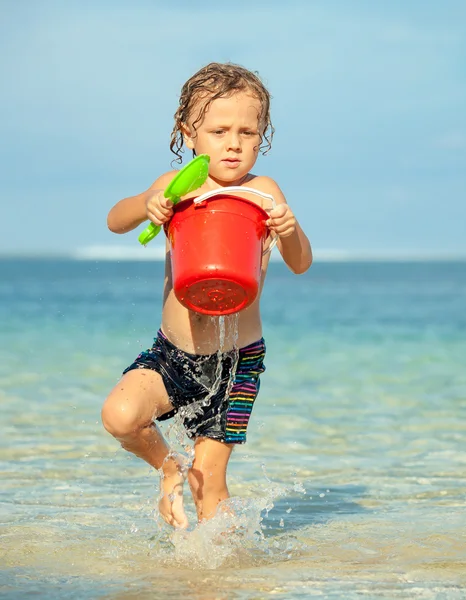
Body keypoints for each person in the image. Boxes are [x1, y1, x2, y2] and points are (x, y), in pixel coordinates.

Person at [101, 62, 313, 529]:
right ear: (188, 133)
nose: (234, 143)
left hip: (236, 361)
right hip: (173, 353)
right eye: (218, 130)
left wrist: (289, 230)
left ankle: (219, 574)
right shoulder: (178, 187)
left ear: (263, 135)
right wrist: (147, 205)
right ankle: (166, 467)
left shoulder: (263, 192)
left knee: (208, 483)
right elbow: (115, 220)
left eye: (248, 131)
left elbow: (301, 262)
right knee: (120, 416)